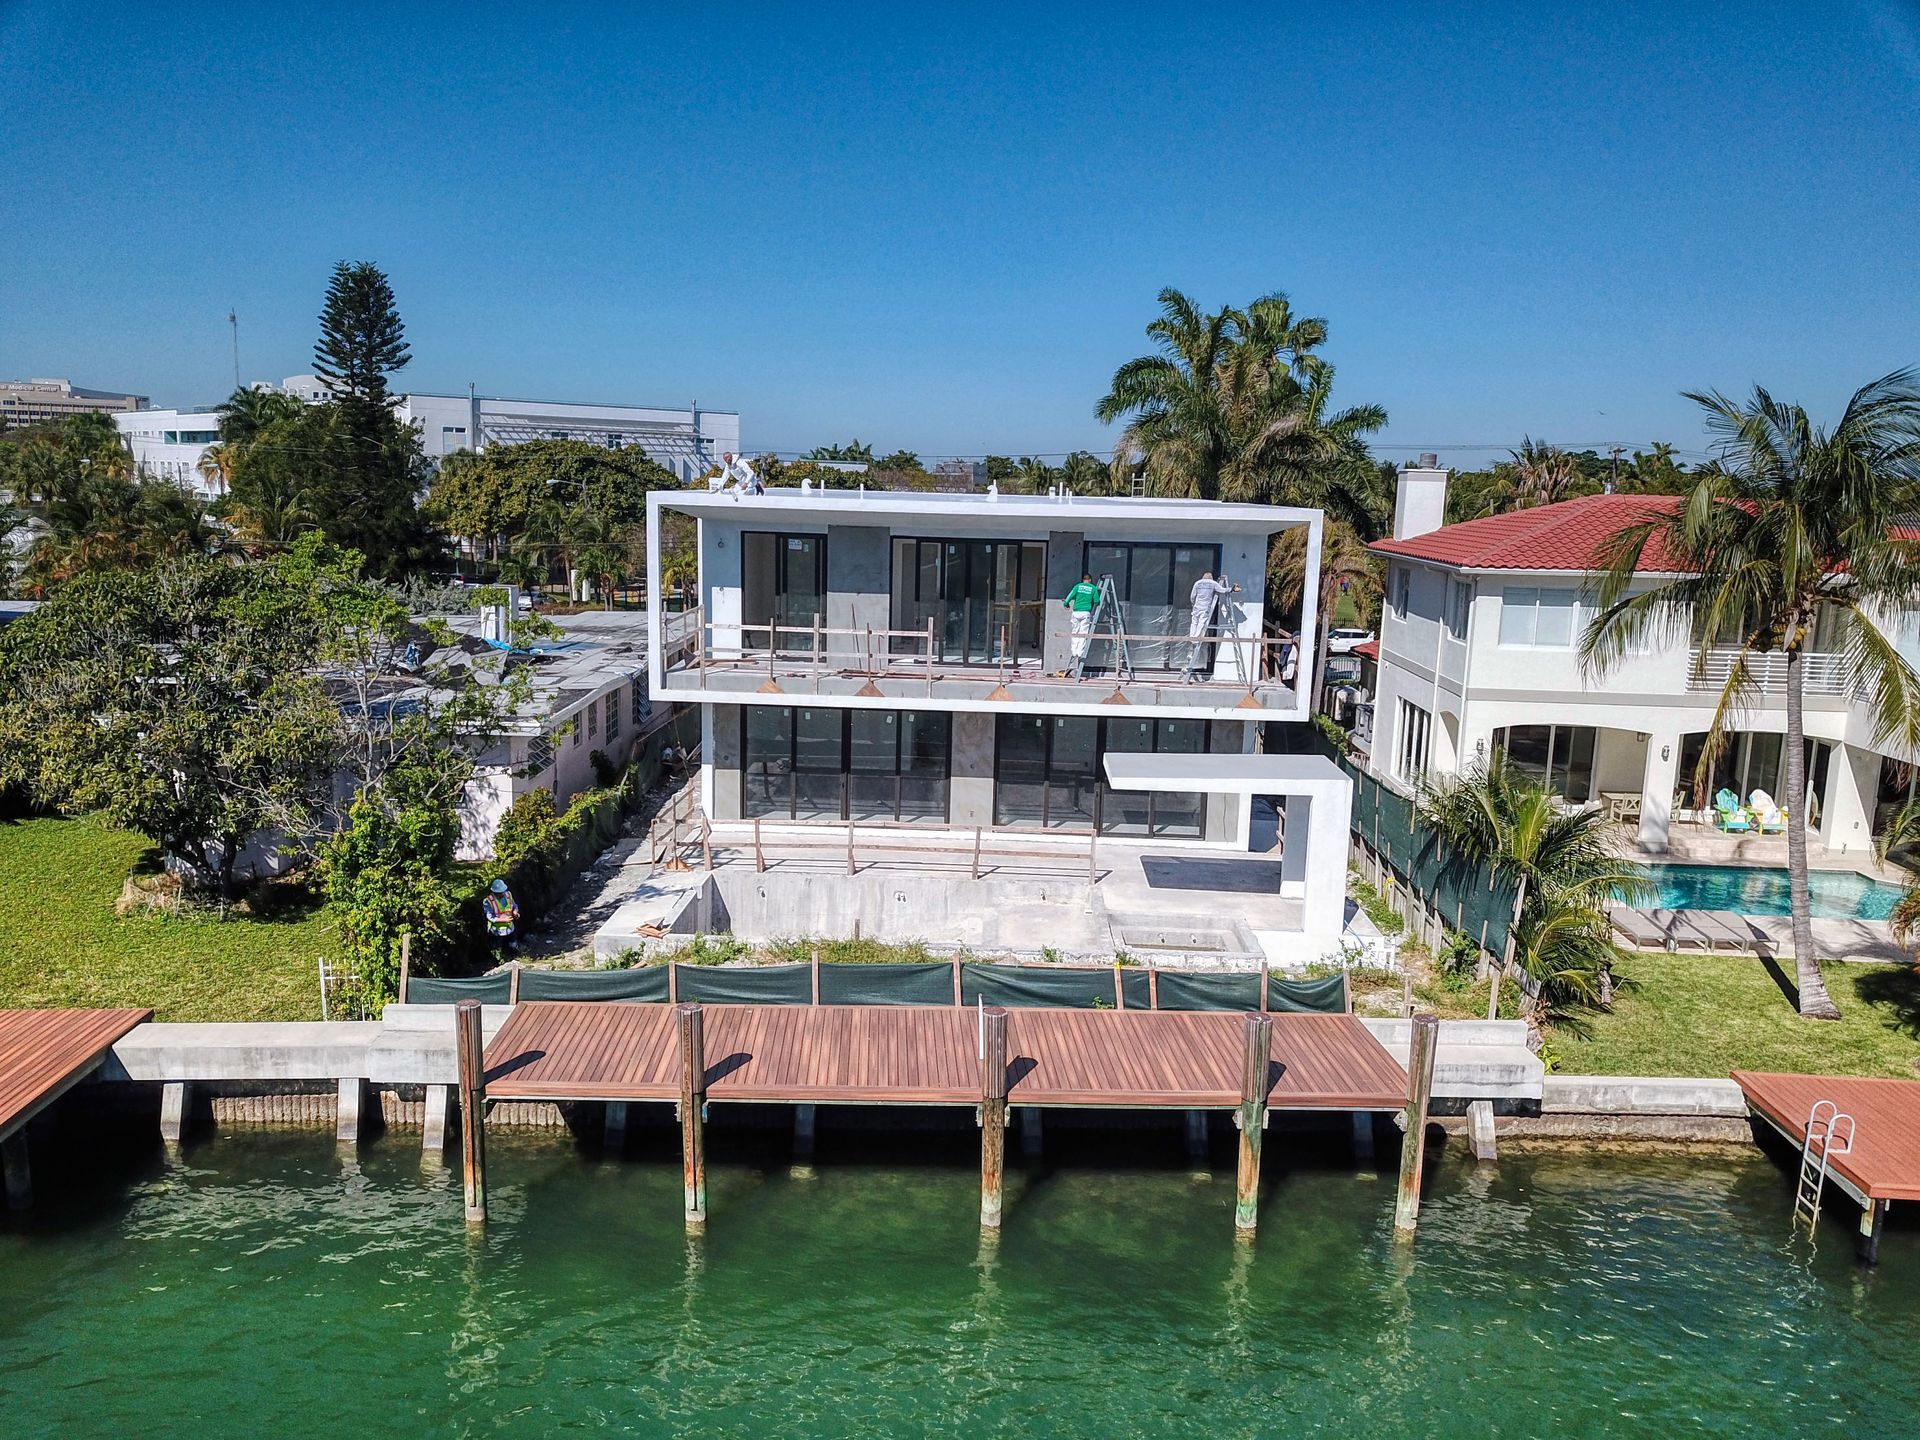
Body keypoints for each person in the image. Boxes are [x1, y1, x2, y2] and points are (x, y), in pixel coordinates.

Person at [1182, 570, 1238, 683]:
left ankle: (1192, 637)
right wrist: (1231, 589)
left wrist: (1193, 603)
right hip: (1205, 607)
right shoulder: (1213, 584)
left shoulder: (1197, 583)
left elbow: (1192, 595)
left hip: (1197, 606)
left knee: (1194, 622)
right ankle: (1197, 638)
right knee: (1202, 624)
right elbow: (1222, 590)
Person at [1056, 572, 1100, 676]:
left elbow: (1069, 597)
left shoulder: (1077, 586)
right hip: (1085, 612)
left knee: (1075, 632)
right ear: (1090, 580)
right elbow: (1097, 601)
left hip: (1076, 612)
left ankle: (1074, 651)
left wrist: (1066, 604)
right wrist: (1093, 605)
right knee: (1083, 633)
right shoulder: (1093, 588)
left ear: (1083, 580)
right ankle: (1080, 652)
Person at [482, 878, 520, 960]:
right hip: (497, 931)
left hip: (510, 928)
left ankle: (513, 958)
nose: (502, 894)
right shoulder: (488, 901)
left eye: (502, 891)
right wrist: (503, 919)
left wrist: (515, 912)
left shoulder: (508, 895)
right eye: (499, 893)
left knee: (512, 945)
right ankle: (499, 962)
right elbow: (489, 917)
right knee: (497, 949)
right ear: (494, 892)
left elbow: (514, 906)